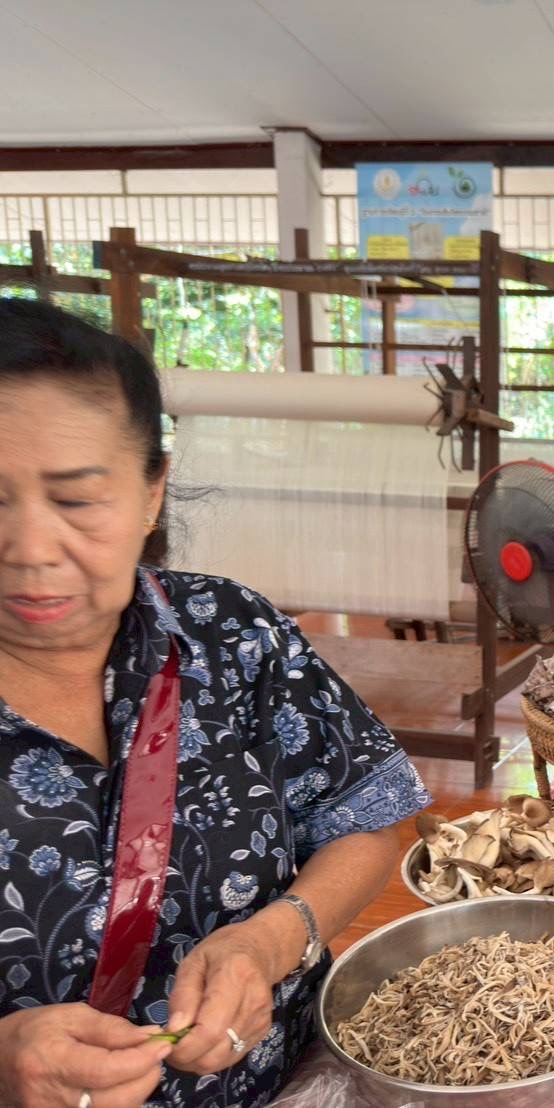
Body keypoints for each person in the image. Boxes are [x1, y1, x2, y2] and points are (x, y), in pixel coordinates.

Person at [0, 299, 431, 1108]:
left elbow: (370, 822)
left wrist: (271, 939)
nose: (30, 548)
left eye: (78, 499)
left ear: (152, 493)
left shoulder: (229, 636)